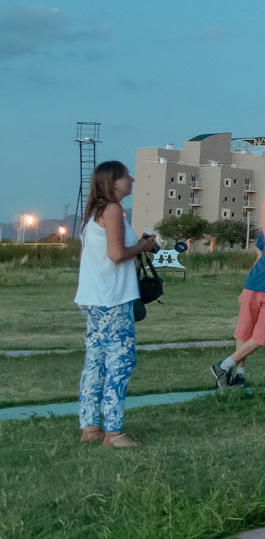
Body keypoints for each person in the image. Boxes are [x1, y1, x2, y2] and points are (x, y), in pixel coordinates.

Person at [76, 160, 157, 447]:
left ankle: (90, 426)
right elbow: (116, 253)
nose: (131, 180)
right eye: (126, 177)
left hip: (93, 298)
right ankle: (114, 432)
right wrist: (143, 247)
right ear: (114, 181)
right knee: (120, 361)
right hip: (112, 299)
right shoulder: (112, 210)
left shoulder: (94, 212)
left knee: (95, 360)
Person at [211, 231, 265, 393]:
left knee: (261, 337)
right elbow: (259, 258)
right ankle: (239, 375)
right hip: (253, 284)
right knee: (244, 333)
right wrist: (248, 282)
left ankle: (223, 366)